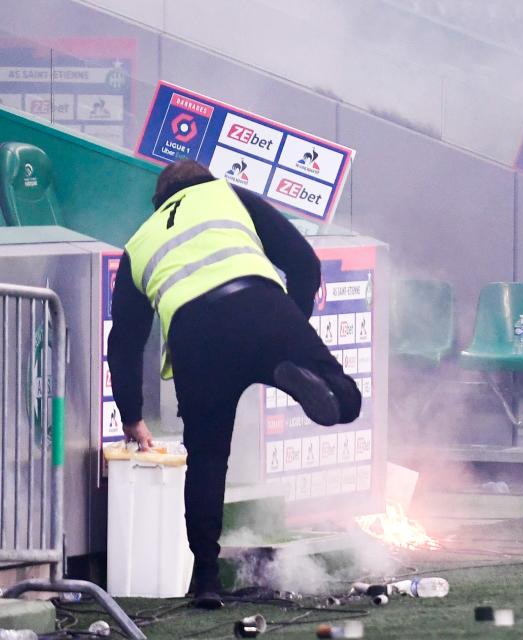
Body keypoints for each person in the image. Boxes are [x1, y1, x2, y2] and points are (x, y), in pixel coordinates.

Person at [107, 159, 362, 609]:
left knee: (207, 459)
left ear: (159, 202)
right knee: (346, 398)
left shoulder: (140, 242)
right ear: (202, 181)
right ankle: (302, 378)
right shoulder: (227, 195)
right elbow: (303, 262)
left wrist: (131, 415)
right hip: (261, 308)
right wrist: (292, 325)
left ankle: (205, 578)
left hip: (196, 342)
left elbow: (124, 341)